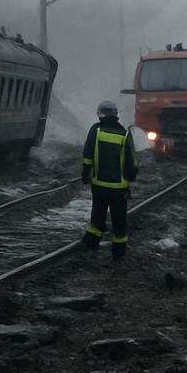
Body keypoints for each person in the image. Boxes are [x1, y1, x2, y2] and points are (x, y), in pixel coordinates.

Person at [80, 99, 139, 260]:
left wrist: (85, 175)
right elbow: (132, 162)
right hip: (119, 188)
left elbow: (87, 157)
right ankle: (118, 252)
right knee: (119, 219)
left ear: (100, 114)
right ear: (116, 115)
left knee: (97, 215)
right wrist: (130, 178)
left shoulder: (96, 131)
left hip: (99, 185)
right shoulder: (125, 135)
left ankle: (91, 243)